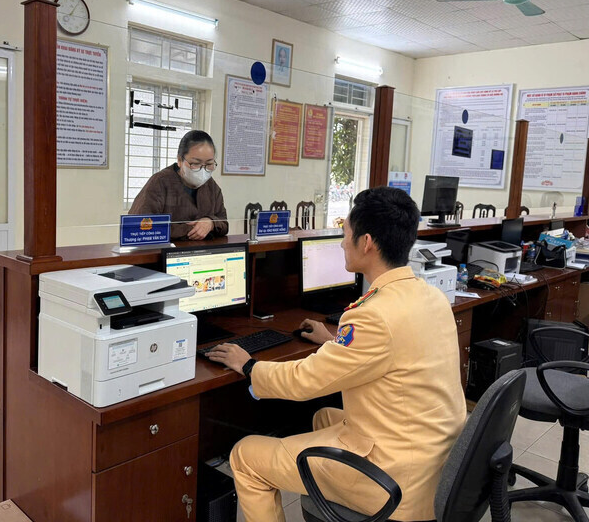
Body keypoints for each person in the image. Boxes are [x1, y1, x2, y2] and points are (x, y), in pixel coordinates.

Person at [207, 186, 465, 522]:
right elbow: (387, 351)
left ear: (367, 242)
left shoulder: (372, 314)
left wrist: (249, 365)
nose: (343, 243)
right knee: (323, 418)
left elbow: (304, 381)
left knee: (244, 456)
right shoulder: (430, 297)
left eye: (346, 234)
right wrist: (333, 340)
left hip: (398, 482)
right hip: (436, 459)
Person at [129, 130, 228, 241]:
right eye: (195, 163)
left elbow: (223, 223)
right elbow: (137, 227)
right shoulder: (160, 182)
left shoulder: (212, 187)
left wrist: (210, 223)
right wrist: (193, 229)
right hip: (164, 253)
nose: (203, 170)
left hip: (203, 253)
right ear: (180, 160)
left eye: (209, 164)